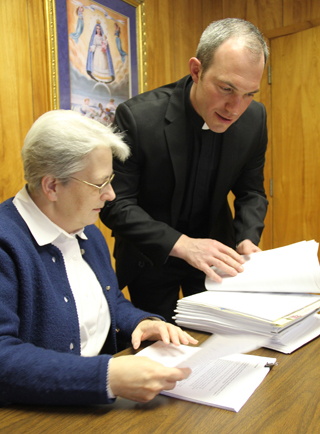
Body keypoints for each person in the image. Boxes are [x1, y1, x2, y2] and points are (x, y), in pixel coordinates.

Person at [0, 110, 197, 407]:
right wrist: (107, 376)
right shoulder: (7, 244)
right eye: (99, 184)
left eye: (111, 180)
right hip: (35, 425)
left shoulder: (86, 231)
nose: (111, 195)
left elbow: (110, 300)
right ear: (52, 186)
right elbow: (3, 357)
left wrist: (139, 322)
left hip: (97, 407)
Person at [100, 18, 269, 322]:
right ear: (196, 70)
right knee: (159, 350)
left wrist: (247, 238)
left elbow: (252, 191)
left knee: (216, 342)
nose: (235, 107)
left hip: (217, 258)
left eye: (249, 94)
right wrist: (182, 245)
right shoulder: (138, 118)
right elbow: (116, 204)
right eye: (226, 88)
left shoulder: (254, 119)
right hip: (150, 258)